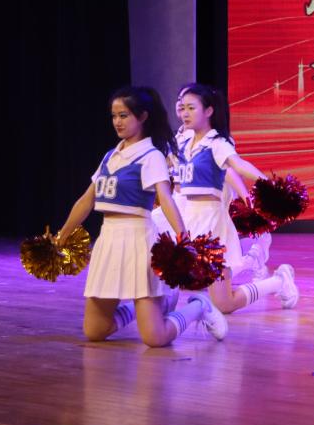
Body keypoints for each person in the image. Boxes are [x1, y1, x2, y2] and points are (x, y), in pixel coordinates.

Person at [55, 86, 227, 346]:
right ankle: (153, 307)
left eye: (124, 115)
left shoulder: (151, 156)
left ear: (143, 116)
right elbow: (86, 200)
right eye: (114, 116)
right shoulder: (110, 156)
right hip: (108, 241)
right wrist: (62, 236)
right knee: (95, 330)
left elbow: (166, 199)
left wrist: (183, 240)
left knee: (155, 338)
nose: (117, 122)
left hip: (138, 241)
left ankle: (198, 306)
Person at [173, 84, 298, 314]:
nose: (185, 113)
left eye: (191, 108)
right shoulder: (183, 142)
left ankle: (278, 282)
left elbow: (238, 166)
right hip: (187, 217)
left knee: (224, 304)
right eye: (183, 108)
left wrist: (269, 185)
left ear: (208, 111)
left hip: (211, 223)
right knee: (180, 279)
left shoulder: (217, 143)